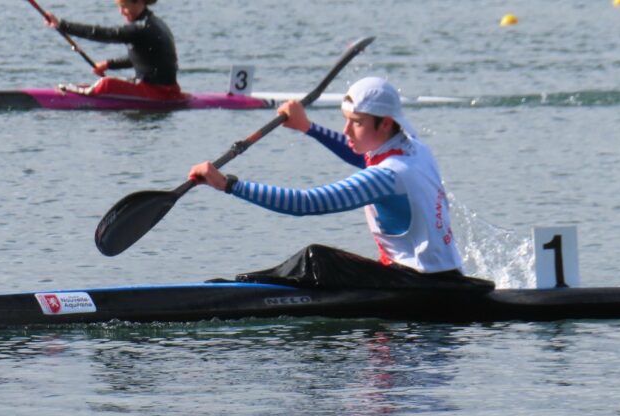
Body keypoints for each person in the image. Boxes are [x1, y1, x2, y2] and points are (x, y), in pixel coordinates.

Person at [188, 76, 472, 283]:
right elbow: (360, 154)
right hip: (444, 276)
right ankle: (245, 285)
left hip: (418, 285)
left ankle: (240, 289)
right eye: (345, 119)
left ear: (385, 123)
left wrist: (228, 185)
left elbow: (307, 203)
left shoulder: (388, 176)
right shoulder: (416, 149)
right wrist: (308, 127)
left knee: (316, 259)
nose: (347, 130)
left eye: (356, 123)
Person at [44, 0, 183, 100]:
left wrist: (62, 25)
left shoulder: (139, 29)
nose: (121, 12)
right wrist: (110, 64)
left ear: (139, 2)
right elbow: (146, 58)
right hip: (165, 90)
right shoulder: (155, 22)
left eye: (124, 7)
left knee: (107, 83)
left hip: (156, 93)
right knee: (110, 83)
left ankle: (70, 91)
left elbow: (102, 33)